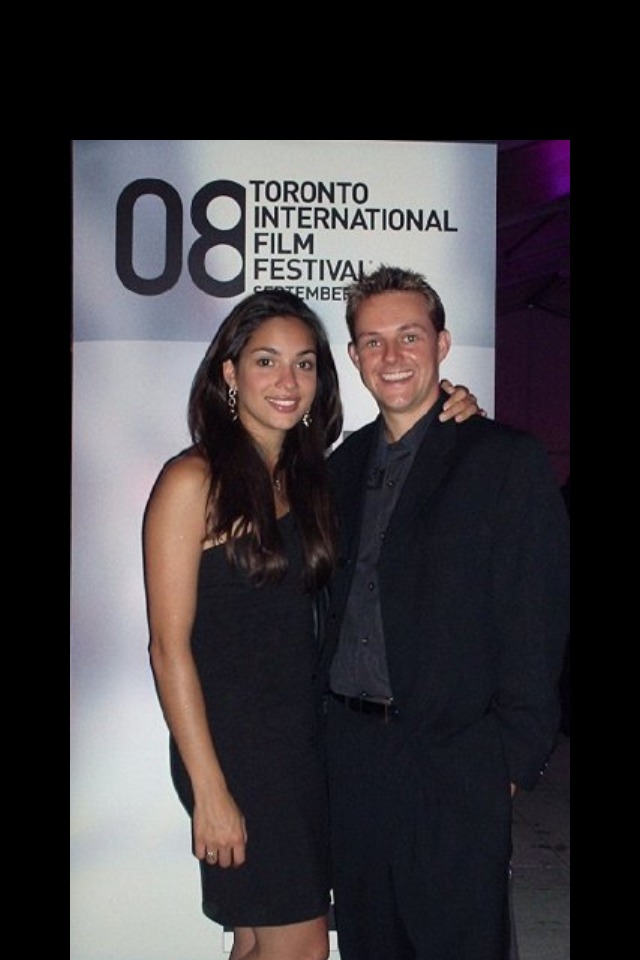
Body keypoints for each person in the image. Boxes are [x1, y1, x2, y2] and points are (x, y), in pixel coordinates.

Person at [142, 288, 479, 960]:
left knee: (258, 938)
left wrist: (454, 407)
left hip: (302, 745)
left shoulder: (315, 478)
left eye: (303, 364)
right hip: (235, 751)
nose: (287, 381)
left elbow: (406, 449)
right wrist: (210, 790)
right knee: (299, 946)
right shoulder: (193, 480)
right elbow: (167, 649)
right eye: (266, 361)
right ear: (230, 373)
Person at [316, 265, 570, 960]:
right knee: (373, 944)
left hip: (455, 762)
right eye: (373, 341)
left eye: (408, 336)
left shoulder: (503, 459)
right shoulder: (339, 468)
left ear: (442, 343)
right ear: (354, 357)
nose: (391, 356)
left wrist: (512, 758)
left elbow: (535, 617)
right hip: (356, 759)